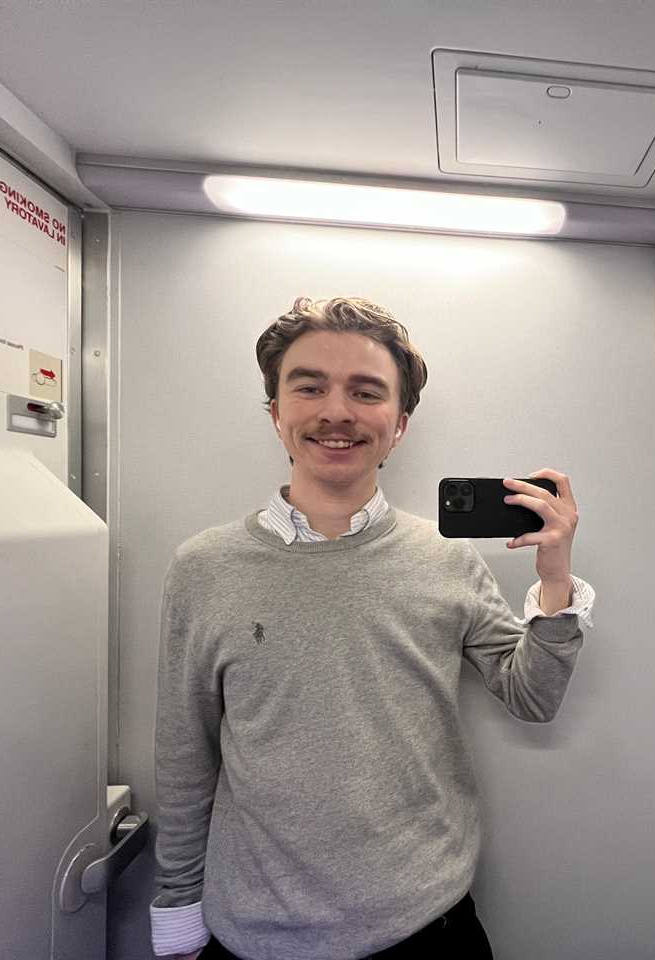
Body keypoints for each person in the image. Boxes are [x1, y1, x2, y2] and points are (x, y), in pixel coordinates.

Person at [150, 296, 595, 960]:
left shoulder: (445, 556)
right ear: (276, 412)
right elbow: (185, 754)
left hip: (427, 927)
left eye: (365, 391)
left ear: (399, 424)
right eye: (309, 387)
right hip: (255, 936)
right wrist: (177, 911)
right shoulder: (204, 568)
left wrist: (555, 575)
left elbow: (531, 696)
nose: (337, 411)